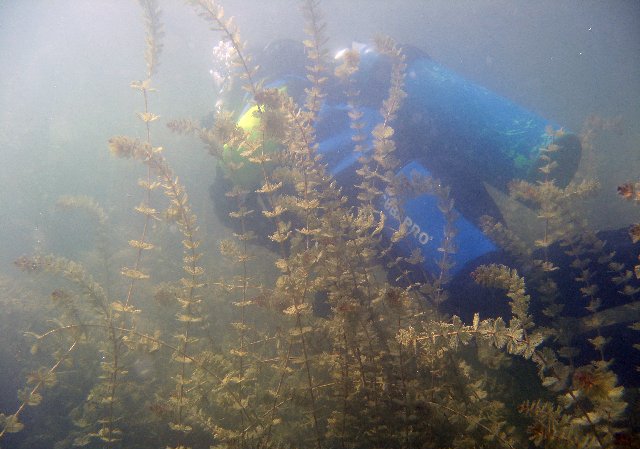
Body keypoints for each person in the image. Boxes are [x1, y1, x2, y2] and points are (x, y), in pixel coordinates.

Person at [208, 39, 637, 329]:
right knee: (485, 307)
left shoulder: (272, 97)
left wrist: (222, 174)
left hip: (401, 187)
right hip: (410, 183)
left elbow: (243, 163)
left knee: (492, 293)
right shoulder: (312, 96)